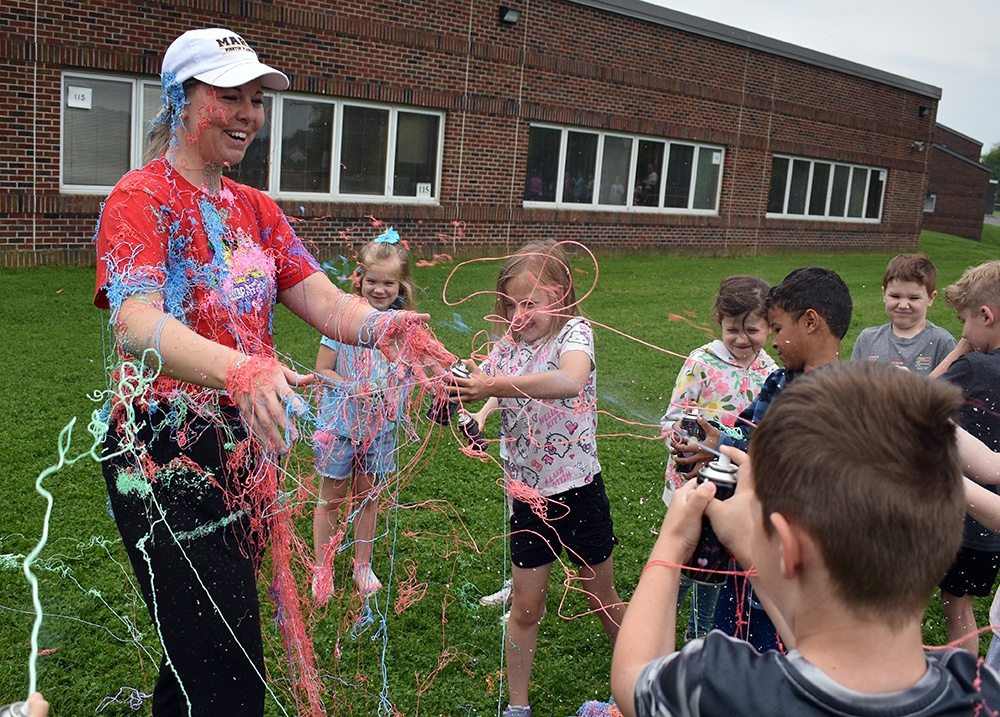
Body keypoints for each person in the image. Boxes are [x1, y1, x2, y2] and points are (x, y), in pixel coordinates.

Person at [94, 28, 451, 717]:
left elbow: (320, 297)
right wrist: (242, 369)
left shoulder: (255, 208)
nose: (249, 115)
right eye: (230, 96)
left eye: (256, 100)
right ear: (180, 99)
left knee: (203, 653)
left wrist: (394, 330)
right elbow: (134, 323)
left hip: (245, 444)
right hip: (162, 452)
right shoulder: (140, 199)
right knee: (226, 671)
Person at [611, 361, 1000, 717]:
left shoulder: (724, 688)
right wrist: (756, 546)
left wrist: (673, 539)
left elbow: (633, 678)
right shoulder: (980, 690)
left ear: (790, 549)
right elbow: (822, 654)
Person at [451, 240, 624, 717]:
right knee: (526, 609)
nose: (518, 314)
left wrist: (490, 387)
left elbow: (568, 381)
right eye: (510, 304)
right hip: (529, 499)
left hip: (580, 491)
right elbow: (485, 383)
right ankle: (517, 708)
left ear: (562, 297)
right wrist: (474, 410)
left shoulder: (575, 335)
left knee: (601, 597)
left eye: (530, 303)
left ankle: (637, 684)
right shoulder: (507, 346)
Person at [673, 266, 852, 652]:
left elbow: (791, 468)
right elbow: (748, 434)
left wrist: (727, 453)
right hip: (746, 548)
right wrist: (715, 442)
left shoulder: (841, 399)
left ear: (810, 322)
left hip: (788, 562)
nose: (772, 341)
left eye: (777, 327)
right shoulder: (779, 381)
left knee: (773, 655)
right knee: (729, 644)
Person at [659, 275, 776, 642]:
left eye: (752, 330)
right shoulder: (701, 362)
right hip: (691, 487)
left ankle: (700, 642)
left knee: (714, 573)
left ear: (770, 326)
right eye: (732, 330)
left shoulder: (771, 373)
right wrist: (682, 443)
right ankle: (655, 633)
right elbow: (671, 420)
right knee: (677, 569)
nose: (742, 340)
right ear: (719, 324)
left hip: (734, 495)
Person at [311, 228, 416, 601]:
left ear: (400, 285)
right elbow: (323, 369)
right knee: (332, 498)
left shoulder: (402, 327)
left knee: (368, 497)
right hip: (339, 425)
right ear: (360, 280)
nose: (379, 289)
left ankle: (361, 565)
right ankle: (322, 570)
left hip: (379, 428)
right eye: (372, 280)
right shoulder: (342, 319)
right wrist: (349, 386)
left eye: (388, 282)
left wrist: (395, 396)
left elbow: (407, 372)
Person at [929, 260, 1000, 655]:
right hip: (992, 525)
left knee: (940, 602)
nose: (964, 332)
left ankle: (951, 687)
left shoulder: (973, 366)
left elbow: (921, 397)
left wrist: (959, 350)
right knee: (962, 605)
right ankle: (967, 686)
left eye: (964, 322)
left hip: (957, 512)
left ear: (985, 316)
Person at [850, 253, 956, 373]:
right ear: (884, 294)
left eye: (914, 298)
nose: (903, 305)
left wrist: (911, 386)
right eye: (895, 296)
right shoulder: (867, 340)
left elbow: (953, 390)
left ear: (931, 298)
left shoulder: (942, 343)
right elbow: (851, 386)